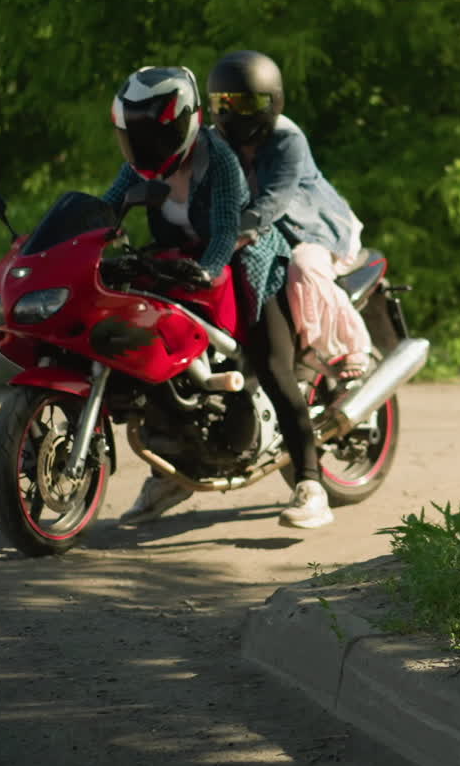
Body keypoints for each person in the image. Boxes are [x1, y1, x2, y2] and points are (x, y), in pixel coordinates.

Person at [100, 64, 334, 530]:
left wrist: (209, 267)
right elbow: (107, 207)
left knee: (271, 364)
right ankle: (173, 471)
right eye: (138, 134)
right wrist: (68, 236)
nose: (148, 145)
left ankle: (310, 483)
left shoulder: (218, 158)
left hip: (246, 264)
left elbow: (228, 225)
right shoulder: (137, 167)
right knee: (155, 356)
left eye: (159, 132)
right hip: (179, 266)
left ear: (187, 122)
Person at [207, 49, 372, 387]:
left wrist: (235, 231)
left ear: (273, 103)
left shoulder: (287, 138)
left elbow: (274, 199)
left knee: (303, 267)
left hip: (310, 229)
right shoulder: (213, 141)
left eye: (248, 105)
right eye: (226, 104)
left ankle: (347, 349)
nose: (236, 114)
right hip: (260, 232)